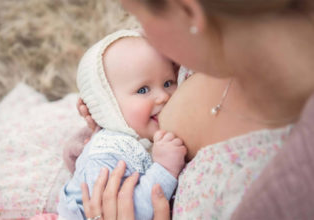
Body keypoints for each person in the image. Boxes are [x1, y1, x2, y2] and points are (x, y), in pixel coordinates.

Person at [74, 0, 314, 219]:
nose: (143, 34)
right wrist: (109, 118)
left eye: (140, 17)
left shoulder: (266, 190)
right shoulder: (205, 50)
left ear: (189, 12)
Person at [57, 29, 187, 220]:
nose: (163, 96)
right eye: (143, 89)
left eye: (168, 83)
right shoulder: (107, 155)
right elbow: (123, 213)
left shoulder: (138, 137)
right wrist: (164, 169)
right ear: (108, 105)